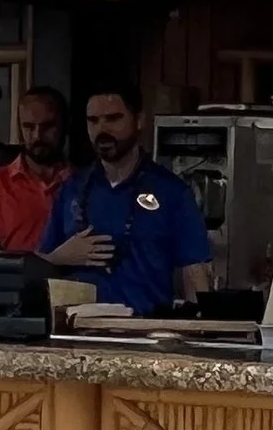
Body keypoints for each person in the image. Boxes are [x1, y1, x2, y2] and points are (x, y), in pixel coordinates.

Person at [42, 87, 216, 316]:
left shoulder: (173, 192)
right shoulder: (71, 190)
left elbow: (195, 274)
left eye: (113, 119)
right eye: (93, 120)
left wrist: (201, 331)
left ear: (139, 120)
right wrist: (60, 258)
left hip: (147, 333)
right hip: (77, 334)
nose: (101, 129)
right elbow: (37, 271)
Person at [0, 84, 74, 256]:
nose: (37, 136)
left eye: (48, 126)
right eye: (28, 127)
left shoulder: (85, 183)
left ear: (65, 126)